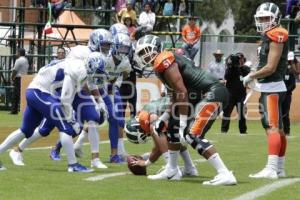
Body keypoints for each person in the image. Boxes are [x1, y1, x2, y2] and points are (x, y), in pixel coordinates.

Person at [134, 34, 237, 185]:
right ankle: (172, 170)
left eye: (146, 51)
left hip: (212, 92)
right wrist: (164, 119)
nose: (145, 56)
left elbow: (182, 91)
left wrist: (183, 123)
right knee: (171, 128)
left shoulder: (163, 59)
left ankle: (224, 173)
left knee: (190, 133)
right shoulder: (161, 63)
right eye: (142, 53)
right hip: (200, 95)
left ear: (156, 48)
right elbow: (176, 94)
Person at [0, 53, 106, 172]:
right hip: (40, 92)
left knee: (25, 130)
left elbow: (69, 96)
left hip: (36, 91)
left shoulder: (80, 66)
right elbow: (65, 100)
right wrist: (71, 120)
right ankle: (73, 165)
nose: (97, 75)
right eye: (97, 71)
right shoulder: (76, 71)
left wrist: (99, 101)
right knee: (66, 127)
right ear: (90, 66)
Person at [243, 2, 289, 179]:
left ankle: (271, 168)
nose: (263, 21)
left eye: (267, 18)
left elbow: (270, 67)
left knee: (272, 127)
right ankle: (279, 168)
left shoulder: (277, 34)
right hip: (272, 87)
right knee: (279, 129)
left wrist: (251, 76)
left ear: (276, 19)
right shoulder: (268, 36)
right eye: (261, 18)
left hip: (273, 88)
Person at [125, 96, 198, 176]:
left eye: (144, 134)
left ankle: (171, 168)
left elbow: (159, 145)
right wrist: (147, 159)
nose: (147, 134)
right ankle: (189, 168)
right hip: (189, 109)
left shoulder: (147, 116)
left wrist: (146, 162)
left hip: (185, 109)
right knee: (173, 137)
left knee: (156, 130)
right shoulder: (146, 113)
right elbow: (160, 147)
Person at [221, 53, 250, 134]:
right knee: (227, 112)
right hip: (230, 94)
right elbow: (226, 77)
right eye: (238, 59)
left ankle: (243, 131)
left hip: (241, 95)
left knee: (242, 113)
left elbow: (250, 74)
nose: (239, 60)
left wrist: (240, 67)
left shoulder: (245, 69)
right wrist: (231, 66)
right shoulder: (230, 69)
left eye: (241, 59)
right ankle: (224, 130)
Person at [11, 48, 29, 114]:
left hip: (18, 78)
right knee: (23, 94)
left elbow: (15, 70)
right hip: (24, 78)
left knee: (15, 95)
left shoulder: (18, 60)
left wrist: (12, 77)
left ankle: (14, 110)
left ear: (19, 53)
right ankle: (24, 109)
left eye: (17, 52)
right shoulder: (26, 60)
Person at [282, 53, 297, 136]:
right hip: (279, 95)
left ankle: (287, 131)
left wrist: (286, 91)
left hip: (287, 96)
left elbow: (293, 85)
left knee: (285, 114)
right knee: (277, 113)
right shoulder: (279, 72)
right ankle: (277, 131)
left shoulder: (290, 72)